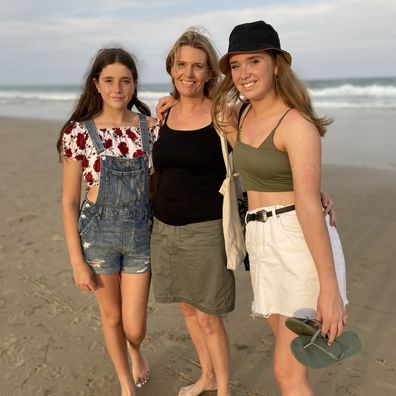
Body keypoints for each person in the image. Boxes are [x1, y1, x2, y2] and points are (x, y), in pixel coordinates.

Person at [212, 21, 348, 395]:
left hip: (297, 241)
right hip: (260, 241)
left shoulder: (297, 124)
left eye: (253, 61)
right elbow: (205, 104)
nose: (243, 74)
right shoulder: (240, 116)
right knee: (294, 350)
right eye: (235, 65)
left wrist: (329, 290)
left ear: (276, 64)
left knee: (289, 373)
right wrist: (173, 101)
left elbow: (306, 205)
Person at [56, 48, 159, 396]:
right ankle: (125, 382)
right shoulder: (78, 133)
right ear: (97, 84)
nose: (118, 88)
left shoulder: (151, 128)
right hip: (98, 232)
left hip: (140, 230)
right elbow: (69, 201)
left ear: (134, 86)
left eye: (125, 81)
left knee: (135, 326)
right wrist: (76, 262)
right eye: (110, 80)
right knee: (112, 317)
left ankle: (135, 349)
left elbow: (163, 182)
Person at [150, 29, 235, 396]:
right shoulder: (164, 114)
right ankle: (206, 376)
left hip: (206, 229)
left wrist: (312, 189)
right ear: (171, 68)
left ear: (208, 73)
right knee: (186, 310)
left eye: (198, 66)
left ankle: (224, 389)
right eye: (182, 64)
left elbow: (257, 154)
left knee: (209, 317)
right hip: (164, 228)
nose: (189, 72)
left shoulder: (222, 114)